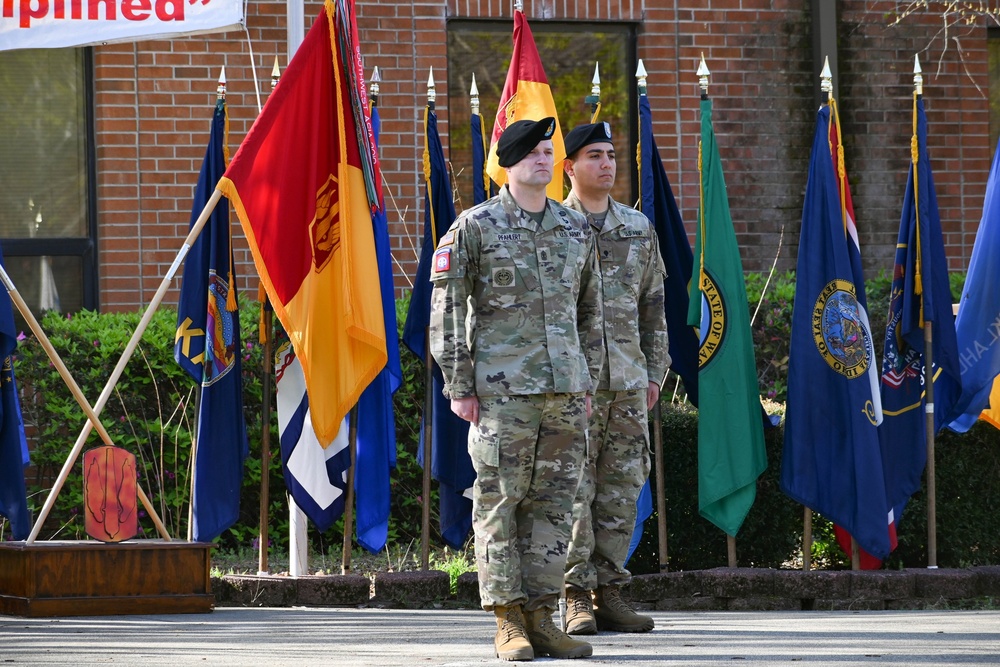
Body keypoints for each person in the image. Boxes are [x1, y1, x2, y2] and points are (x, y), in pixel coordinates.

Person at [430, 117, 604, 661]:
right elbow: (448, 312)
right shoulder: (474, 227)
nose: (543, 160)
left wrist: (588, 381)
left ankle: (543, 617)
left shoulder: (575, 230)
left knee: (555, 506)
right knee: (499, 504)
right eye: (531, 152)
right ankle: (507, 621)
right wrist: (459, 384)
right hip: (501, 394)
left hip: (565, 393)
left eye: (549, 152)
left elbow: (591, 313)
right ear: (508, 162)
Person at [561, 122, 670, 635]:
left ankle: (611, 591)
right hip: (571, 383)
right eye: (593, 156)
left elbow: (654, 307)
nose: (606, 164)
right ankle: (574, 595)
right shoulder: (555, 225)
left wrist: (653, 372)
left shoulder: (638, 228)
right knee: (573, 489)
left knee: (621, 487)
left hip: (627, 379)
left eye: (610, 155)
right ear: (569, 167)